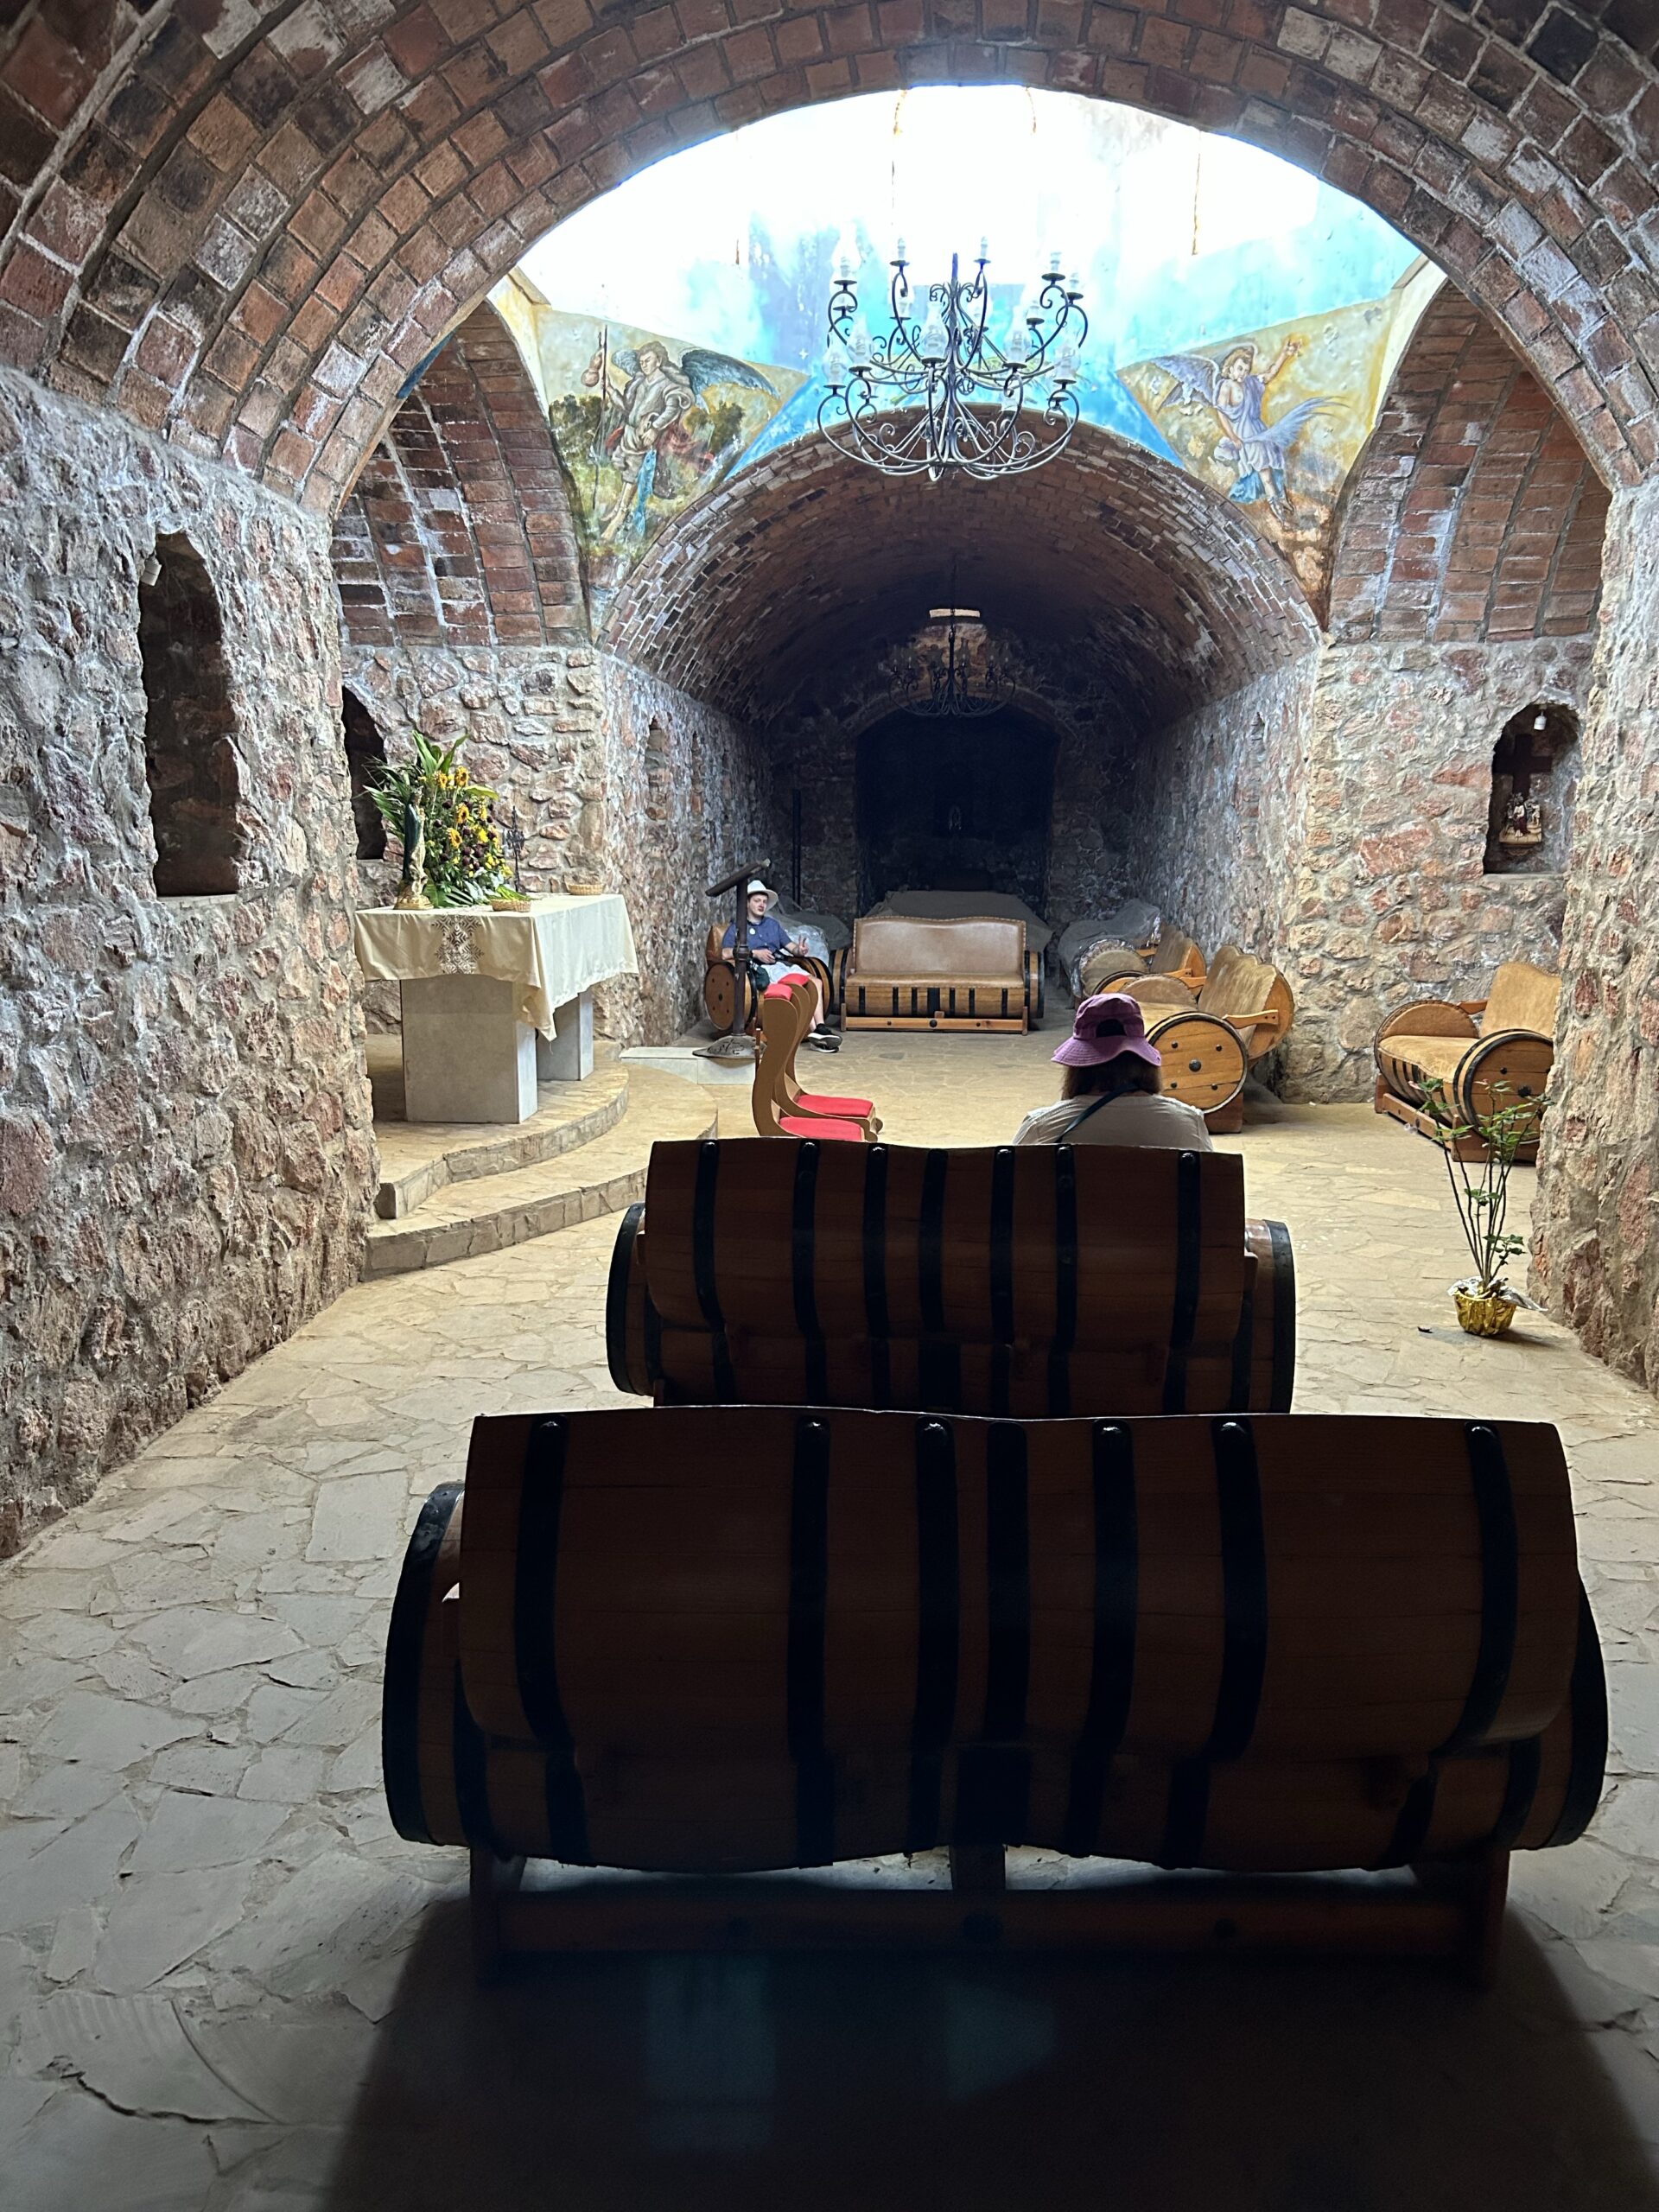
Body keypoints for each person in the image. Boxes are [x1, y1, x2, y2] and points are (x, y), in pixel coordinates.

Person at [1013, 992, 1215, 1149]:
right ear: (1144, 1061)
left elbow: (1005, 1185)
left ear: (1077, 1067)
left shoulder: (1042, 1128)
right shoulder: (1188, 1125)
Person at [722, 880, 840, 1052]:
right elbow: (725, 953)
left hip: (780, 966)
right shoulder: (738, 927)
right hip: (759, 970)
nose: (761, 905)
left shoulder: (772, 925)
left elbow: (791, 948)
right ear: (747, 903)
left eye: (764, 901)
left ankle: (820, 1027)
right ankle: (817, 1034)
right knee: (798, 991)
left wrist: (800, 950)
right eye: (757, 901)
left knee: (816, 982)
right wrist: (754, 953)